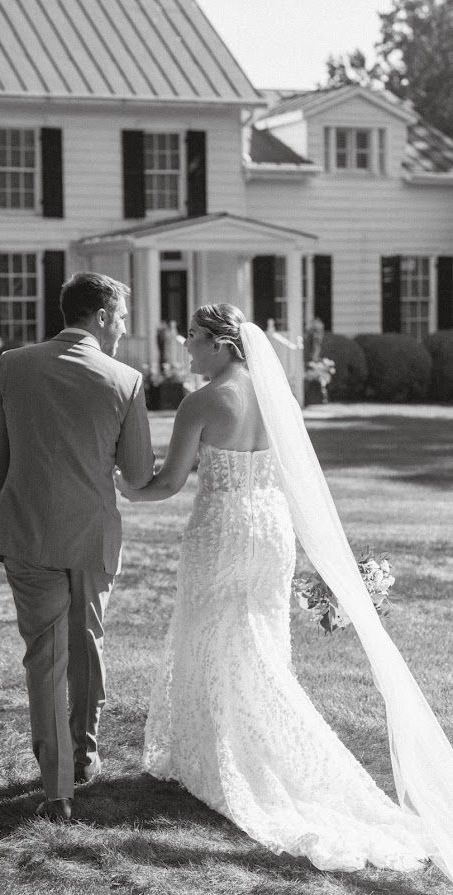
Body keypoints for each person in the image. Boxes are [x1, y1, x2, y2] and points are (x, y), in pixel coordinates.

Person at [116, 303, 453, 878]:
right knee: (259, 643)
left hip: (221, 530)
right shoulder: (277, 397)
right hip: (270, 530)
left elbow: (167, 483)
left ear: (222, 345)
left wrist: (120, 483)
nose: (187, 351)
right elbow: (298, 479)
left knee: (211, 634)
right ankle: (243, 743)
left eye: (194, 340)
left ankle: (221, 752)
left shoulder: (202, 401)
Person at [0, 272, 154, 823]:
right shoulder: (125, 380)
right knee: (87, 642)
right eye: (122, 316)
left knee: (47, 659)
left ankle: (58, 789)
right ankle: (83, 754)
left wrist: (8, 517)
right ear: (101, 315)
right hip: (92, 536)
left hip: (28, 532)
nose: (125, 327)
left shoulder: (13, 365)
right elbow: (139, 471)